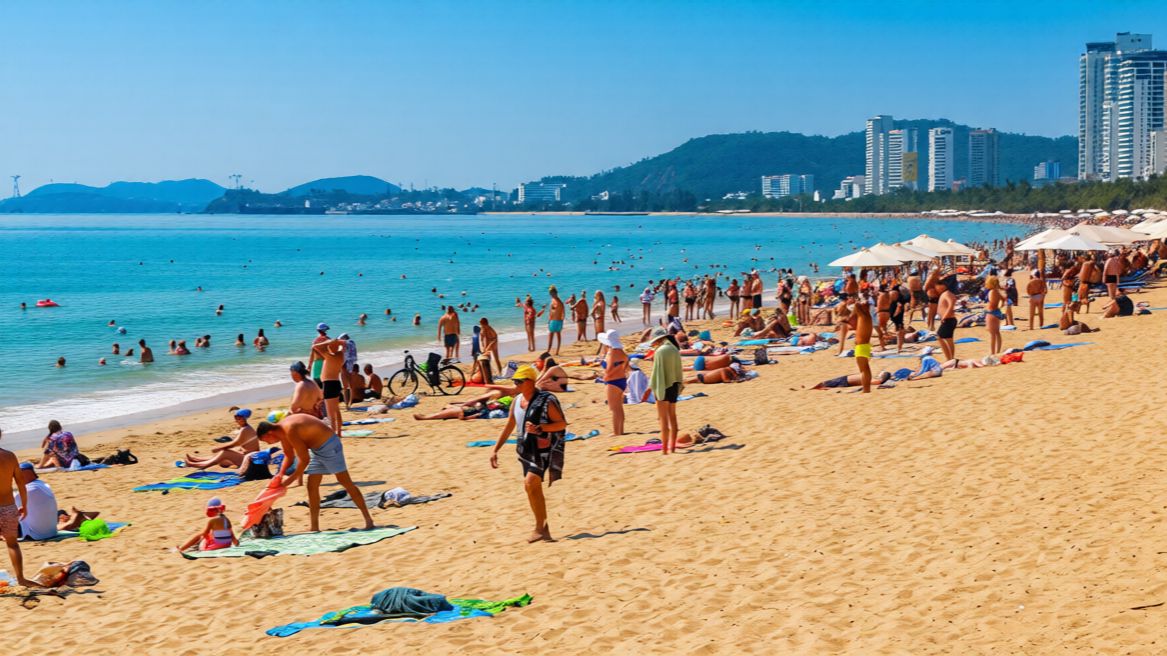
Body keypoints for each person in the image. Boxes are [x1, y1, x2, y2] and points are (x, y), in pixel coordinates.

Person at [489, 365, 567, 543]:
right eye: (514, 381)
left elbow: (561, 424)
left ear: (530, 382)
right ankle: (543, 528)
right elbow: (510, 425)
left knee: (530, 482)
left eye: (518, 381)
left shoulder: (547, 401)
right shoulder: (517, 400)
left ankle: (540, 528)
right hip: (525, 450)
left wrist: (541, 428)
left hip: (542, 450)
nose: (515, 384)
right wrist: (495, 449)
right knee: (531, 488)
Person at [257, 414, 374, 532]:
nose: (268, 444)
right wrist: (280, 474)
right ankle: (314, 526)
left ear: (269, 434)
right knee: (311, 486)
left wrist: (291, 479)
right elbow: (289, 455)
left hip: (329, 445)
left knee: (345, 482)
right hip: (316, 449)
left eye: (265, 441)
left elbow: (304, 459)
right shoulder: (282, 432)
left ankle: (368, 520)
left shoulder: (289, 429)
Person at [0, 434, 34, 586]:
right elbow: (21, 483)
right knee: (12, 544)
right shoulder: (10, 457)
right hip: (8, 506)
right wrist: (25, 505)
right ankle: (20, 578)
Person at [647, 327, 683, 455]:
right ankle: (672, 447)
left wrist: (650, 388)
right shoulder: (674, 349)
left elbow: (656, 373)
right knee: (672, 417)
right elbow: (679, 369)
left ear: (658, 339)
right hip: (674, 385)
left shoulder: (660, 351)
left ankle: (664, 451)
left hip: (662, 386)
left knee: (663, 420)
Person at [184, 408, 258, 469]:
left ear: (244, 419)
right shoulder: (246, 428)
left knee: (225, 452)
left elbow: (235, 443)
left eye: (238, 418)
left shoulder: (246, 429)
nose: (236, 420)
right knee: (221, 459)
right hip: (248, 458)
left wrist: (219, 448)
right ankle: (196, 460)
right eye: (235, 417)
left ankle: (198, 465)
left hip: (250, 460)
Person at [311, 336, 347, 436]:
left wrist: (328, 342)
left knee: (331, 413)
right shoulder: (340, 355)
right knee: (336, 410)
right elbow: (344, 343)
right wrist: (336, 342)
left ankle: (334, 434)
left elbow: (314, 346)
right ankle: (338, 432)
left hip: (329, 384)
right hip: (336, 383)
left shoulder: (328, 355)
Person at [15, 463, 58, 540]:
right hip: (52, 532)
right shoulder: (43, 484)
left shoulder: (28, 489)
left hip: (36, 534)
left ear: (24, 474)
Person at [599, 331, 627, 436]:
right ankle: (621, 430)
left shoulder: (612, 353)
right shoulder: (622, 352)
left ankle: (616, 432)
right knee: (619, 407)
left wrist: (605, 375)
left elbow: (609, 369)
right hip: (621, 380)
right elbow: (625, 367)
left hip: (613, 381)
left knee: (614, 408)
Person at [936, 276, 958, 362]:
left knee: (940, 337)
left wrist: (944, 316)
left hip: (948, 319)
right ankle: (950, 358)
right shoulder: (946, 293)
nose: (937, 288)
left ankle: (949, 358)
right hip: (949, 319)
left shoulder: (947, 294)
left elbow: (951, 305)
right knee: (948, 339)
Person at [811, 370, 892, 390]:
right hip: (846, 380)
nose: (879, 373)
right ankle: (813, 388)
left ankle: (810, 389)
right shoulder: (875, 379)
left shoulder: (877, 381)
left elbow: (878, 383)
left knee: (824, 383)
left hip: (845, 381)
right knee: (826, 384)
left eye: (881, 373)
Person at [985, 276, 1004, 355]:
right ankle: (998, 351)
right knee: (997, 333)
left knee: (992, 334)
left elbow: (992, 303)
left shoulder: (992, 292)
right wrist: (999, 306)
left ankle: (992, 352)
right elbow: (1003, 300)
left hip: (991, 312)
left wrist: (988, 306)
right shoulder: (997, 291)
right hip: (997, 312)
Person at [547, 286, 565, 355]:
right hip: (553, 320)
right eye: (550, 294)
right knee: (551, 335)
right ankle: (549, 350)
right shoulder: (553, 300)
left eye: (551, 293)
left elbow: (563, 312)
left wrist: (562, 320)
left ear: (555, 293)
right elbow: (551, 311)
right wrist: (549, 319)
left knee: (557, 335)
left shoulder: (559, 302)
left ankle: (557, 351)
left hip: (557, 321)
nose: (551, 295)